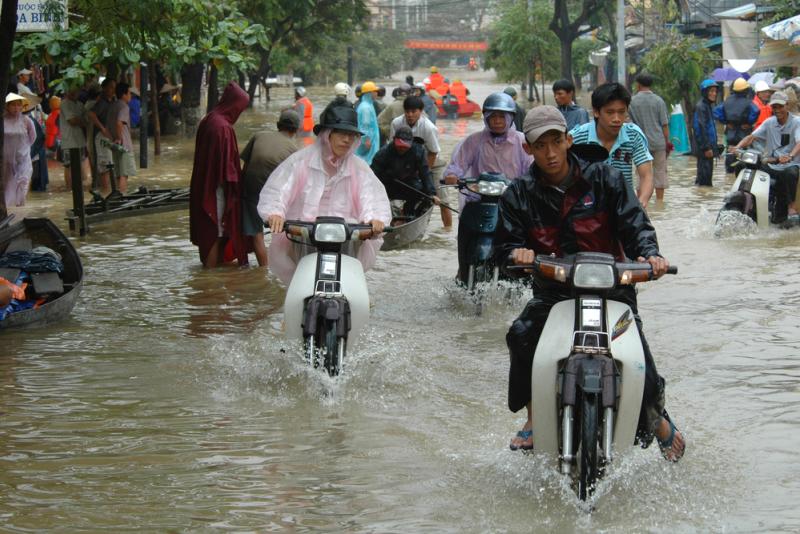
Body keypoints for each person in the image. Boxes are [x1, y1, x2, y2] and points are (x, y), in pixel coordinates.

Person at [495, 105, 685, 461]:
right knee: (521, 334)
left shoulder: (607, 179)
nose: (550, 153)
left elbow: (635, 225)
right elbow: (502, 250)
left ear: (568, 140)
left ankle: (656, 416)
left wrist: (650, 255)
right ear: (527, 149)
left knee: (637, 356)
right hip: (553, 293)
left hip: (612, 288)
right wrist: (517, 255)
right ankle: (534, 418)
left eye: (556, 142)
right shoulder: (517, 194)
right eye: (540, 146)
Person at [257, 105, 391, 284]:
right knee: (301, 284)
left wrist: (374, 218)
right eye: (341, 133)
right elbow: (280, 189)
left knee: (348, 285)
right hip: (303, 237)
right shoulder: (300, 161)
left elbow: (371, 197)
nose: (346, 140)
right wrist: (275, 213)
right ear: (327, 135)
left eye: (351, 135)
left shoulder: (359, 168)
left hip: (347, 239)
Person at [445, 92, 533, 242]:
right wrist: (452, 176)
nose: (497, 121)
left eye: (501, 117)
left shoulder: (522, 141)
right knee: (465, 234)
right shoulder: (473, 141)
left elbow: (532, 169)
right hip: (479, 199)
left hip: (513, 199)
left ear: (510, 118)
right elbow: (458, 164)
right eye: (493, 117)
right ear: (486, 118)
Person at [189, 81, 251, 268]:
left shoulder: (209, 119)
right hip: (216, 190)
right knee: (215, 232)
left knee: (215, 232)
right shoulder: (223, 128)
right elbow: (226, 169)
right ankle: (210, 278)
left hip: (204, 184)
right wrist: (234, 191)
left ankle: (212, 275)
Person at [569, 82, 654, 208]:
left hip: (624, 205)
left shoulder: (633, 135)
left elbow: (646, 175)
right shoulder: (577, 137)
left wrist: (641, 203)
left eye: (621, 112)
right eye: (610, 112)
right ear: (596, 112)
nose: (617, 119)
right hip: (587, 208)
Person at [239, 109, 300, 266]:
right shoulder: (294, 151)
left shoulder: (259, 135)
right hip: (273, 196)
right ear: (296, 130)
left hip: (250, 189)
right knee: (283, 231)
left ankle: (263, 270)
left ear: (278, 124)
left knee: (256, 234)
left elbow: (245, 167)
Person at [732, 91, 800, 225]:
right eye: (774, 107)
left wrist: (790, 156)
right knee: (744, 165)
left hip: (791, 165)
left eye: (780, 106)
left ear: (786, 106)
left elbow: (799, 143)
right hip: (772, 164)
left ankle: (791, 206)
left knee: (790, 173)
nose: (777, 110)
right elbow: (751, 137)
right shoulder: (769, 122)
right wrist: (737, 148)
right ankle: (747, 200)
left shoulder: (797, 122)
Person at [390, 96, 446, 226]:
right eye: (407, 111)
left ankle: (447, 229)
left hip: (432, 162)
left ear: (420, 111)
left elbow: (433, 152)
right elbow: (392, 148)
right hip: (407, 163)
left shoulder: (428, 127)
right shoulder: (396, 123)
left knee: (443, 200)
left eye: (413, 111)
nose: (410, 115)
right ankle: (400, 219)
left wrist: (422, 175)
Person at [371, 125, 438, 217]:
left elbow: (425, 173)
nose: (402, 148)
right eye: (399, 146)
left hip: (410, 184)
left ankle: (409, 213)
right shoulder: (384, 153)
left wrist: (432, 193)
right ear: (394, 140)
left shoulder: (418, 151)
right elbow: (372, 175)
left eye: (405, 146)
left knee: (424, 194)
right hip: (388, 183)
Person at [629, 73, 671, 201]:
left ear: (638, 85)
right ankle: (659, 201)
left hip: (640, 143)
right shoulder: (659, 101)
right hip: (658, 142)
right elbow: (664, 125)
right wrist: (667, 143)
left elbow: (629, 124)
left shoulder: (632, 101)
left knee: (641, 173)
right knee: (660, 172)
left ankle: (641, 201)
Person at [714, 77, 759, 173]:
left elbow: (716, 112)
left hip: (731, 132)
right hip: (744, 133)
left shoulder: (727, 101)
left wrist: (726, 122)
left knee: (731, 152)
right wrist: (749, 123)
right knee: (745, 154)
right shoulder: (748, 102)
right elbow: (756, 111)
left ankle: (729, 173)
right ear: (746, 90)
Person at [3, 93, 36, 207]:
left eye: (18, 105)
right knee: (7, 185)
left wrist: (23, 149)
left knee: (23, 181)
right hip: (6, 160)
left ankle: (20, 209)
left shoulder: (27, 121)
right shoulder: (3, 120)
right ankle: (8, 211)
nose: (16, 108)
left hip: (23, 158)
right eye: (13, 105)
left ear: (23, 107)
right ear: (7, 106)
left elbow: (33, 137)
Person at [59, 85, 91, 191]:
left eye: (76, 91)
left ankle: (77, 188)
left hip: (80, 140)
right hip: (68, 140)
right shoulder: (64, 103)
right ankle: (69, 189)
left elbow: (86, 119)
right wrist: (83, 122)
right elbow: (72, 121)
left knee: (80, 163)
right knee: (68, 165)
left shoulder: (80, 105)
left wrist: (82, 121)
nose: (73, 93)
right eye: (71, 90)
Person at [88, 78, 116, 194]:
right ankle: (106, 190)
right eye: (110, 87)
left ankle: (107, 189)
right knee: (105, 165)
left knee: (109, 164)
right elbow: (91, 114)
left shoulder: (111, 101)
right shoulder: (102, 102)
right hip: (102, 136)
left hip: (108, 136)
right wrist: (102, 129)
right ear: (104, 88)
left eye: (114, 87)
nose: (112, 90)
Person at [109, 82, 136, 193]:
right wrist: (120, 138)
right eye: (129, 93)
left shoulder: (113, 106)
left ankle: (116, 195)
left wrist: (114, 138)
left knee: (118, 173)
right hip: (123, 145)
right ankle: (122, 197)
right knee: (124, 174)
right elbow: (119, 123)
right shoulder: (124, 107)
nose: (130, 96)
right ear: (124, 95)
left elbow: (108, 126)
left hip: (114, 144)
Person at [693, 79, 719, 187]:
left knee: (706, 178)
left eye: (715, 91)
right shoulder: (701, 107)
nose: (714, 94)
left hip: (708, 149)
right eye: (711, 91)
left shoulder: (707, 106)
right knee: (704, 181)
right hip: (704, 150)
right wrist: (706, 148)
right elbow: (700, 128)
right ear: (705, 92)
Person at [355, 81, 380, 164]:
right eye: (375, 91)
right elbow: (364, 126)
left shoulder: (368, 104)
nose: (377, 93)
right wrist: (366, 140)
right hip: (368, 141)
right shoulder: (365, 108)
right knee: (366, 162)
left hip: (371, 139)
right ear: (370, 93)